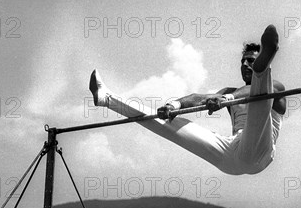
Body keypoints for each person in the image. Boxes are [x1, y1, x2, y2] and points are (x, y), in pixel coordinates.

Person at [89, 25, 285, 176]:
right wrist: (174, 105)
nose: (244, 64)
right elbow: (199, 98)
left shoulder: (276, 86)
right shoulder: (229, 91)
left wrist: (227, 99)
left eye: (251, 60)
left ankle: (264, 64)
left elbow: (250, 91)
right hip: (233, 154)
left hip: (260, 151)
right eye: (243, 61)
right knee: (166, 122)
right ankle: (107, 98)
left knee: (259, 95)